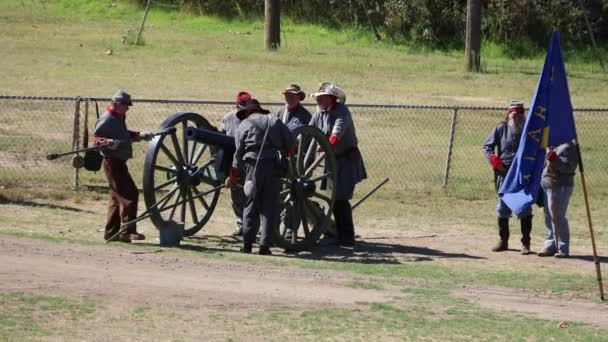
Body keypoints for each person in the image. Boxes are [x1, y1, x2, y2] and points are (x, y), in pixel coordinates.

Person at [225, 99, 295, 255]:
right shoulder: (273, 120)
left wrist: (233, 176)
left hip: (252, 168)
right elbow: (291, 142)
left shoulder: (243, 125)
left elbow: (238, 155)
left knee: (250, 205)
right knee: (269, 206)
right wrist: (285, 153)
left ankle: (247, 245)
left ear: (247, 112)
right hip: (272, 166)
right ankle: (265, 246)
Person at [309, 82, 367, 247]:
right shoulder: (319, 112)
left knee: (341, 198)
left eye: (321, 97)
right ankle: (338, 233)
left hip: (346, 160)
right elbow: (309, 130)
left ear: (331, 98)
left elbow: (336, 134)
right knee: (332, 199)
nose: (318, 100)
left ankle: (347, 238)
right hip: (331, 160)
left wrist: (326, 145)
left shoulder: (342, 111)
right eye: (317, 97)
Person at [92, 90, 153, 243]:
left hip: (119, 162)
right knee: (130, 194)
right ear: (118, 104)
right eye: (126, 105)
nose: (128, 108)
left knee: (116, 198)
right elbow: (95, 141)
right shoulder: (106, 120)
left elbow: (122, 133)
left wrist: (138, 135)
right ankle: (127, 231)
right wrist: (108, 143)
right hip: (112, 162)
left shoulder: (119, 116)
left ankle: (111, 234)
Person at [482, 100, 533, 254]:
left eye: (519, 112)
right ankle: (503, 241)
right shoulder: (500, 128)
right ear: (508, 113)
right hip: (504, 173)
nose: (515, 115)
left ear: (523, 114)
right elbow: (487, 147)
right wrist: (494, 161)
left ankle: (526, 243)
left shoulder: (530, 130)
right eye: (512, 112)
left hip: (523, 175)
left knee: (524, 207)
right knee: (502, 208)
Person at [272, 84, 312, 236]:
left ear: (299, 97)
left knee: (294, 194)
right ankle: (273, 226)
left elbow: (307, 140)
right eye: (287, 95)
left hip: (297, 163)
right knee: (276, 193)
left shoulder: (305, 116)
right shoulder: (279, 113)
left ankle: (290, 228)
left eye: (292, 95)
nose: (288, 97)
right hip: (278, 160)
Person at [218, 91, 252, 237]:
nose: (244, 108)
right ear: (236, 105)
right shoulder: (228, 118)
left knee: (251, 195)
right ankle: (241, 225)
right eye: (241, 106)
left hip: (250, 161)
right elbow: (220, 135)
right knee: (235, 195)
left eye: (246, 105)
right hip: (233, 161)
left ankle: (252, 226)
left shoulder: (255, 118)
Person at [537, 141, 578, 258]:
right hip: (547, 185)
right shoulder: (552, 145)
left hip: (560, 186)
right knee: (548, 216)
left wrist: (553, 158)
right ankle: (550, 245)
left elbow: (569, 167)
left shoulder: (567, 146)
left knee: (558, 217)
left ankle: (563, 248)